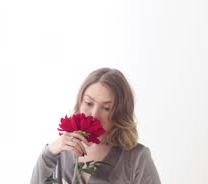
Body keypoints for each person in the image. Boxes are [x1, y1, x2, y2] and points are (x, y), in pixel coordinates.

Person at [30, 67, 161, 184]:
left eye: (106, 108)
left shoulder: (136, 158)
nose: (94, 115)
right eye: (88, 103)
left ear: (120, 113)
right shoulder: (60, 153)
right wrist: (50, 151)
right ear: (80, 103)